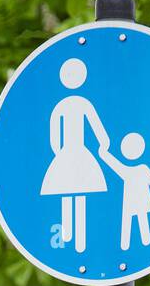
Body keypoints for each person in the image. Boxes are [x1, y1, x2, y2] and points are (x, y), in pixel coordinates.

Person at [40, 58, 110, 253]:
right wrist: (103, 143)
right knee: (75, 189)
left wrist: (58, 153)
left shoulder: (65, 105)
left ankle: (74, 237)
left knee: (72, 190)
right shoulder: (77, 104)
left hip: (69, 152)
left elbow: (55, 134)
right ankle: (74, 238)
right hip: (75, 152)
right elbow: (96, 128)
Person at [98, 132, 150, 250]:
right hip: (135, 200)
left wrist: (104, 154)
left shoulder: (132, 170)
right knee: (135, 220)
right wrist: (104, 154)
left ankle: (131, 244)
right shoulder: (138, 169)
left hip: (134, 200)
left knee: (133, 221)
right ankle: (135, 244)